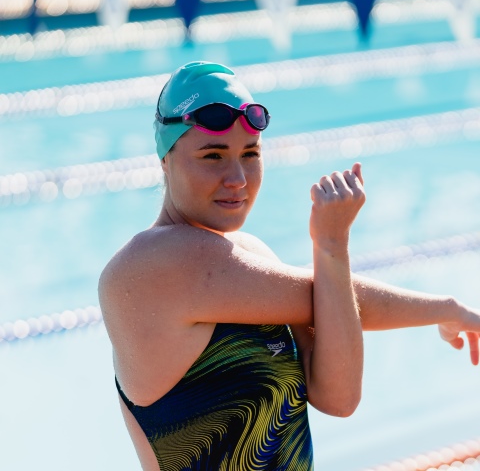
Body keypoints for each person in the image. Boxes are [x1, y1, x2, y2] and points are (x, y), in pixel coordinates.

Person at [98, 61, 480, 471]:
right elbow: (332, 298)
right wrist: (443, 307)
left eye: (250, 154)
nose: (238, 178)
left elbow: (339, 397)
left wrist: (332, 250)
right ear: (165, 160)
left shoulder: (253, 256)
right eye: (213, 156)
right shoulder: (150, 264)